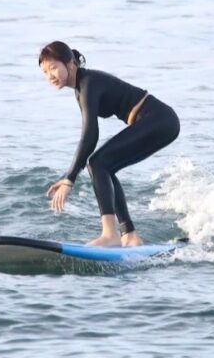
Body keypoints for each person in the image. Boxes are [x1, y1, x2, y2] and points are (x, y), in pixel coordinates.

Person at [40, 41, 180, 247]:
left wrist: (70, 178)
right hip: (160, 121)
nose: (49, 75)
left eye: (53, 67)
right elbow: (88, 137)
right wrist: (68, 174)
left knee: (98, 163)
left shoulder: (88, 83)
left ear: (70, 63)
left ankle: (110, 234)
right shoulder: (81, 88)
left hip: (158, 119)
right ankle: (129, 235)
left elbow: (90, 135)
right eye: (44, 71)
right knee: (104, 165)